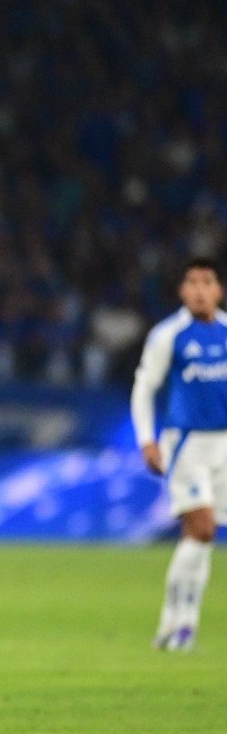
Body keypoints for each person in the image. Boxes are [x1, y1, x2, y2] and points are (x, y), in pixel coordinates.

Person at [132, 256, 227, 652]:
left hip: (224, 445)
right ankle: (180, 621)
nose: (200, 289)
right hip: (186, 443)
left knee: (202, 537)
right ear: (182, 291)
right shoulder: (168, 335)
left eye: (207, 281)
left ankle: (176, 626)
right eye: (193, 282)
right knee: (201, 527)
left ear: (218, 290)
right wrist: (146, 440)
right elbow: (144, 385)